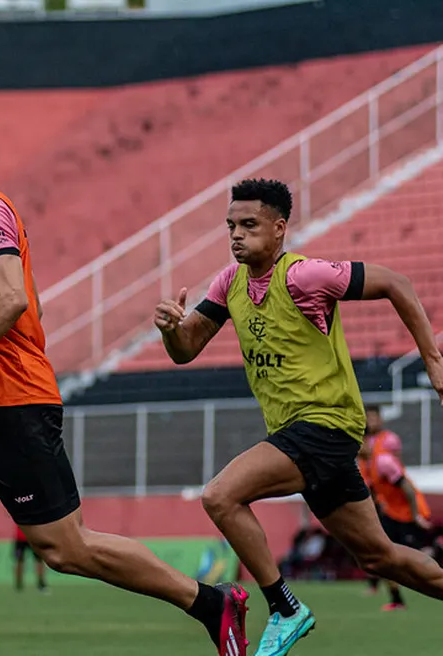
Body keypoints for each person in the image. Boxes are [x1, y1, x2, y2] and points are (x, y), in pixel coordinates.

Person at [0, 106, 249, 656]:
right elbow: (29, 307)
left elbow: (11, 298)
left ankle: (211, 603)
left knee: (66, 549)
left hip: (8, 404)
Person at [154, 178, 443, 656]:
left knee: (220, 496)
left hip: (327, 424)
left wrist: (432, 359)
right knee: (380, 556)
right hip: (298, 434)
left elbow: (397, 282)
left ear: (279, 228)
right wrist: (170, 330)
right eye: (231, 226)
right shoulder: (230, 284)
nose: (236, 236)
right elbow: (187, 349)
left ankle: (285, 608)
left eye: (249, 225)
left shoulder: (304, 276)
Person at [361, 405, 434, 610]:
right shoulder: (365, 462)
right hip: (390, 512)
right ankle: (396, 598)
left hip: (407, 513)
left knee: (419, 555)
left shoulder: (384, 459)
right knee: (383, 554)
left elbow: (407, 489)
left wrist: (416, 515)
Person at [14, 524, 48, 593]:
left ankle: (40, 583)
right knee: (20, 561)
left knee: (38, 560)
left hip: (31, 536)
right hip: (26, 536)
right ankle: (19, 584)